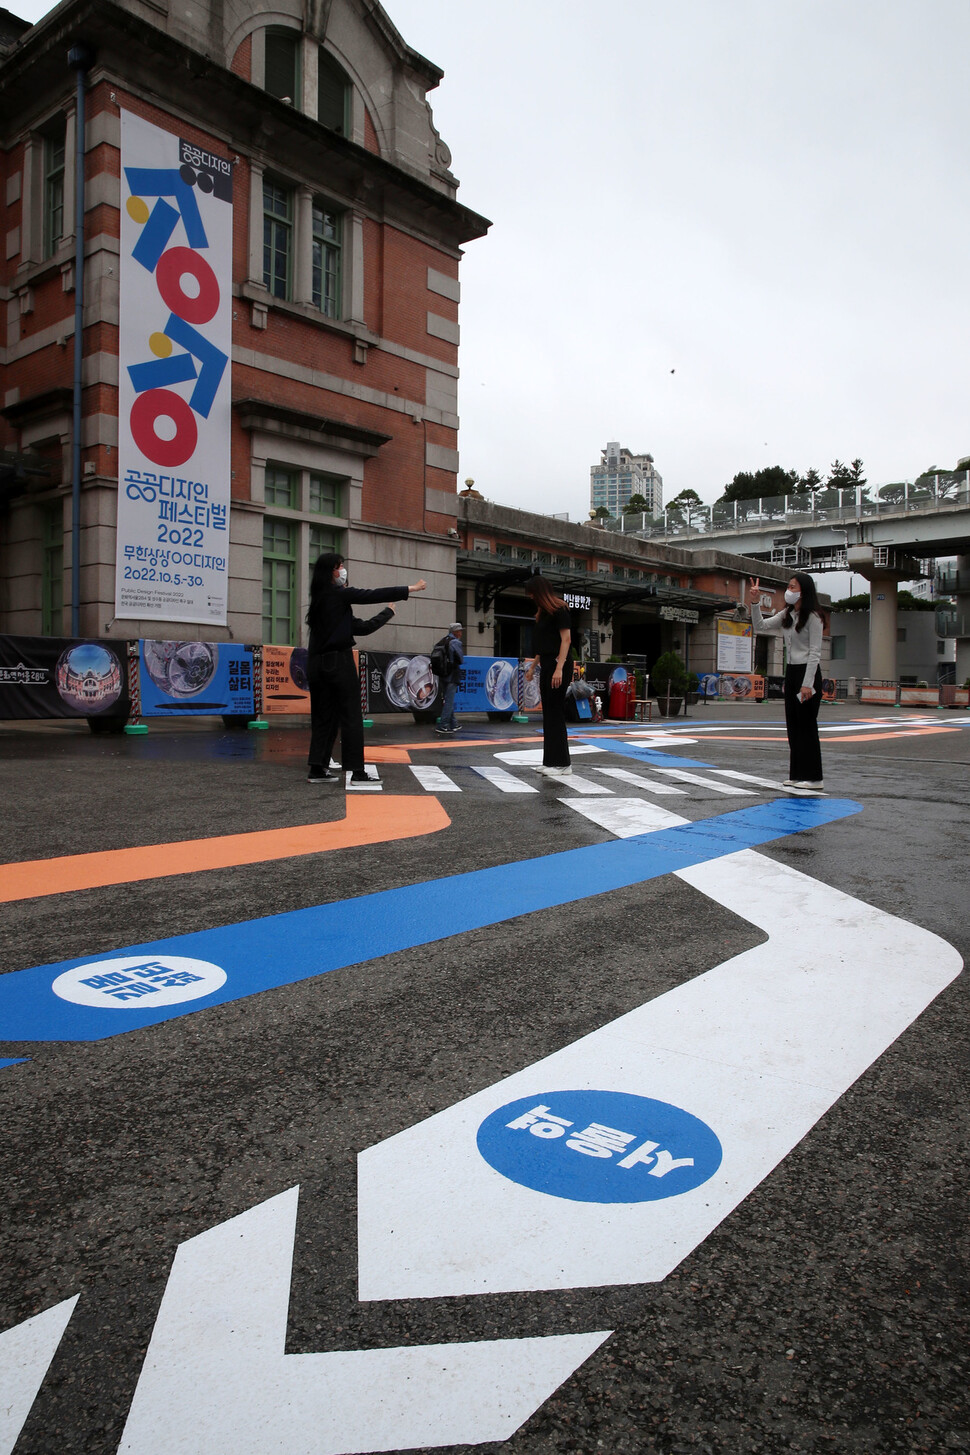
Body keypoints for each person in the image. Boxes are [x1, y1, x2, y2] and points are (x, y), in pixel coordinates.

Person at [306, 553, 426, 788]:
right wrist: (411, 588)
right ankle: (357, 772)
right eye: (340, 566)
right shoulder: (340, 595)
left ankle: (317, 768)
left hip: (316, 664)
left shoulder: (320, 600)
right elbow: (372, 594)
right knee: (351, 716)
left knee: (323, 717)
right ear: (331, 571)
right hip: (338, 662)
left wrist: (387, 613)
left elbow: (361, 627)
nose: (343, 570)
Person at [747, 571, 825, 793]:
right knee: (793, 725)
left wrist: (808, 684)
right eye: (788, 587)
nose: (788, 591)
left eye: (792, 587)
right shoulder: (787, 614)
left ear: (804, 590)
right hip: (791, 672)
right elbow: (760, 626)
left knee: (807, 726)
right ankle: (797, 774)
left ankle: (814, 777)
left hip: (807, 675)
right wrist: (754, 601)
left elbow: (815, 653)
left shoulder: (814, 617)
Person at [523, 576, 575, 776]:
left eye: (533, 593)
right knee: (549, 714)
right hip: (546, 664)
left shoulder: (560, 610)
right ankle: (551, 762)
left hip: (557, 664)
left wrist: (559, 667)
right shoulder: (543, 613)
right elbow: (543, 646)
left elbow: (566, 640)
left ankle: (562, 764)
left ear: (540, 592)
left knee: (555, 712)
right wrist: (532, 667)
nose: (531, 597)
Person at [435, 622, 464, 735]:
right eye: (460, 631)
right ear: (455, 632)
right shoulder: (455, 642)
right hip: (452, 674)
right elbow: (460, 659)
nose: (461, 633)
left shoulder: (442, 641)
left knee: (447, 700)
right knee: (449, 701)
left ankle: (454, 723)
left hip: (442, 673)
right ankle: (443, 724)